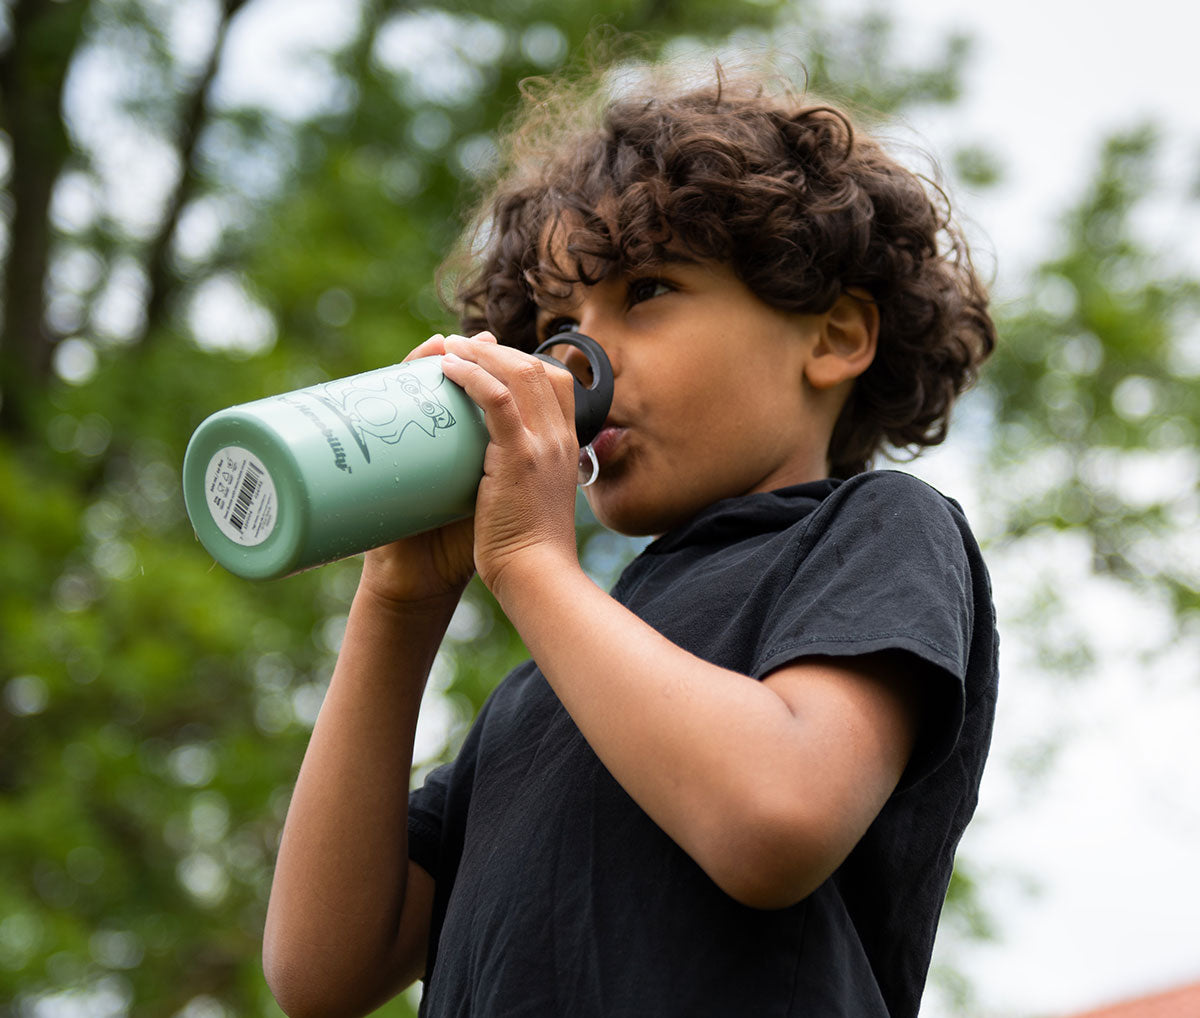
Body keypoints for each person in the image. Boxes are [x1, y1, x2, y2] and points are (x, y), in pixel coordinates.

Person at [262, 57, 999, 1018]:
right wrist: (397, 602)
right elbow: (322, 971)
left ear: (833, 338)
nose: (576, 357)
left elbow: (774, 819)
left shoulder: (876, 528)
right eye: (557, 319)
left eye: (646, 291)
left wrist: (528, 561)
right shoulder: (542, 696)